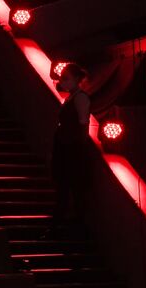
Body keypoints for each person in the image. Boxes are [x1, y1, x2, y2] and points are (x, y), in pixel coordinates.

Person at [49, 63, 93, 235]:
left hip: (72, 149)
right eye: (62, 78)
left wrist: (79, 149)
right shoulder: (72, 97)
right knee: (66, 187)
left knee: (69, 188)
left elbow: (84, 124)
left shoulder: (80, 98)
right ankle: (63, 223)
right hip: (66, 147)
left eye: (66, 78)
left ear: (76, 79)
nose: (63, 82)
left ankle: (63, 224)